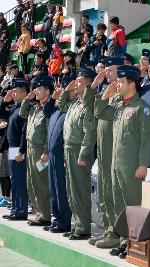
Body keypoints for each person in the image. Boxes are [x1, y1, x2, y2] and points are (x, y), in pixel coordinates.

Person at [95, 65, 150, 258]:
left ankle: (135, 243)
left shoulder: (141, 109)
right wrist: (105, 95)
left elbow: (147, 139)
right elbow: (99, 112)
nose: (117, 84)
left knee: (133, 206)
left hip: (131, 166)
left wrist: (143, 164)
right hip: (115, 164)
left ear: (132, 83)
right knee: (119, 206)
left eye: (121, 81)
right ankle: (124, 241)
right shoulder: (119, 106)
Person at [85, 56, 124, 249]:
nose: (106, 73)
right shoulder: (105, 90)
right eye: (106, 69)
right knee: (103, 192)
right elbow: (89, 106)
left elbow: (102, 112)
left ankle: (117, 234)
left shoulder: (121, 94)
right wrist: (94, 86)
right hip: (102, 150)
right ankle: (109, 230)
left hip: (114, 150)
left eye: (110, 69)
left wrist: (105, 95)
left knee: (113, 193)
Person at [61, 68, 97, 240]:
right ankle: (76, 224)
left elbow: (89, 133)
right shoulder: (75, 103)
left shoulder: (88, 105)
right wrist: (66, 92)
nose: (76, 84)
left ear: (89, 84)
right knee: (71, 190)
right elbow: (61, 105)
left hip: (79, 151)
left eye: (80, 81)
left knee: (80, 190)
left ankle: (83, 227)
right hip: (69, 149)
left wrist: (83, 155)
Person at [19, 76, 54, 227]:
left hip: (41, 151)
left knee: (41, 183)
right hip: (31, 149)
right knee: (31, 182)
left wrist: (46, 151)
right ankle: (39, 213)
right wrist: (27, 99)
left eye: (39, 89)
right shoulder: (34, 108)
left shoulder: (49, 109)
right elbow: (22, 113)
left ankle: (45, 215)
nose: (36, 91)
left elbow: (49, 133)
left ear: (48, 90)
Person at [42, 77, 75, 233]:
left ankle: (65, 221)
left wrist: (65, 93)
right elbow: (46, 111)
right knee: (53, 189)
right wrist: (53, 98)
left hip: (62, 154)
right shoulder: (56, 108)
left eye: (65, 88)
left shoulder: (69, 107)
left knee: (62, 189)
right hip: (53, 154)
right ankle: (57, 219)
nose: (61, 90)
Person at [0, 79, 29, 221]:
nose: (13, 93)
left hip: (18, 149)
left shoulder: (25, 107)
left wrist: (21, 151)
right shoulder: (15, 106)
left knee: (20, 180)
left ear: (24, 92)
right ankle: (16, 209)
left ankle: (21, 210)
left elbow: (24, 132)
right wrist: (5, 102)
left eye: (16, 91)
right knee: (14, 180)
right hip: (12, 148)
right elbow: (3, 116)